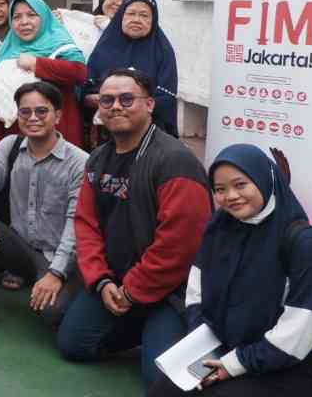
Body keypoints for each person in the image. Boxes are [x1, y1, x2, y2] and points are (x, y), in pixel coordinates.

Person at [57, 68, 212, 388]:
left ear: (150, 104)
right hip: (117, 280)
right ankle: (144, 329)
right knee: (73, 344)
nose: (116, 106)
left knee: (161, 382)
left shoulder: (175, 162)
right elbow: (86, 225)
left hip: (173, 291)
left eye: (127, 99)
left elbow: (180, 245)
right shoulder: (98, 159)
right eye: (107, 99)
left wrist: (133, 291)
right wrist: (100, 281)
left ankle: (168, 331)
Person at [147, 144, 312, 397]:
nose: (231, 196)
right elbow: (196, 293)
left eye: (240, 185)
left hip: (292, 365)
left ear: (263, 178)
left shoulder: (303, 243)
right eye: (220, 189)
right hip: (228, 347)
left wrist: (236, 364)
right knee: (164, 391)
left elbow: (300, 331)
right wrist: (202, 342)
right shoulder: (219, 227)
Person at [0, 81, 88, 332]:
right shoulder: (9, 146)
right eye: (25, 112)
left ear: (58, 115)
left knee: (53, 316)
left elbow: (76, 226)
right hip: (20, 248)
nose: (32, 118)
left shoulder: (79, 163)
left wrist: (56, 274)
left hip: (60, 258)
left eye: (41, 111)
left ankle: (52, 284)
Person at [0, 0, 89, 148]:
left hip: (57, 135)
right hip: (14, 137)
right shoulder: (7, 49)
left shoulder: (60, 44)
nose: (24, 22)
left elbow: (79, 73)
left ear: (44, 18)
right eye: (16, 17)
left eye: (31, 15)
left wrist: (37, 64)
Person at [86, 0, 179, 135]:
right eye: (130, 14)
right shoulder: (105, 47)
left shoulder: (162, 51)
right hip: (105, 131)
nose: (136, 19)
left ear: (153, 20)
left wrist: (132, 106)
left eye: (144, 15)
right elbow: (86, 89)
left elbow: (167, 97)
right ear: (120, 17)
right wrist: (95, 99)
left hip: (149, 132)